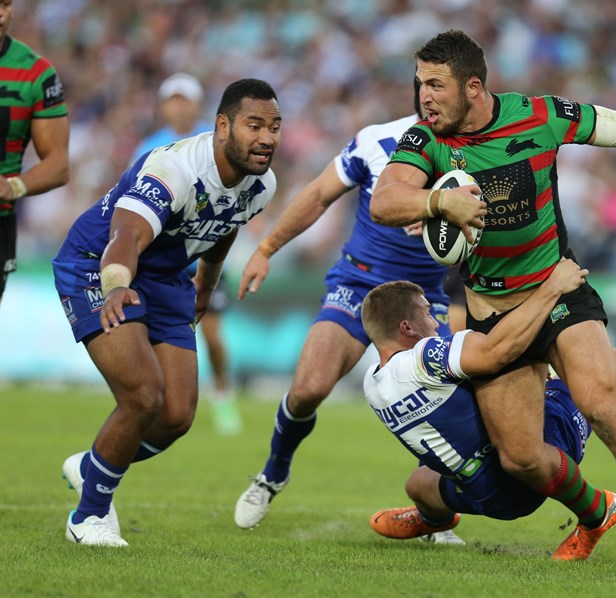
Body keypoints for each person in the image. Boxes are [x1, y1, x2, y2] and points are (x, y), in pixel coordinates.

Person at [370, 29, 616, 576]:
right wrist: (440, 201)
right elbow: (385, 200)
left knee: (602, 401)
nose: (424, 97)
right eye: (419, 84)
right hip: (492, 316)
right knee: (522, 459)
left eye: (436, 85)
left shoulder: (540, 115)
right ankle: (597, 514)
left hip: (558, 290)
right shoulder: (425, 140)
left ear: (474, 87)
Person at [363, 278, 616, 572]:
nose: (436, 322)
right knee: (597, 371)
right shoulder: (423, 357)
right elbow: (495, 350)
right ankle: (597, 511)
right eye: (427, 316)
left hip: (483, 496)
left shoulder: (373, 384)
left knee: (418, 483)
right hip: (533, 463)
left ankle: (434, 518)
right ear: (407, 329)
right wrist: (550, 290)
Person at [52, 78, 281, 547]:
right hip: (99, 266)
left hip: (169, 277)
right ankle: (88, 516)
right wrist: (116, 286)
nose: (267, 138)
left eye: (275, 127)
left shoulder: (262, 184)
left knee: (176, 415)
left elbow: (226, 225)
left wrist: (207, 284)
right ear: (223, 126)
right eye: (255, 125)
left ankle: (91, 465)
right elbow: (125, 236)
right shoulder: (174, 169)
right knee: (143, 394)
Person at [233, 85, 465, 545]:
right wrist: (266, 248)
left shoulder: (475, 154)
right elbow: (319, 194)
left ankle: (433, 517)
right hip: (358, 285)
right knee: (308, 389)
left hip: (425, 298)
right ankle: (273, 473)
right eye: (427, 90)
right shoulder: (377, 141)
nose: (433, 102)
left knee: (442, 407)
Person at [131, 73, 241, 436]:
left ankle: (223, 393)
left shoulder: (215, 145)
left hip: (203, 256)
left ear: (197, 106)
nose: (179, 106)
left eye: (185, 100)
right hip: (160, 261)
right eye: (173, 100)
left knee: (211, 334)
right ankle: (155, 397)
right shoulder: (149, 146)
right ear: (164, 106)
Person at [0, 0, 69, 306]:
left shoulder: (36, 72)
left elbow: (58, 164)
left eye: (5, 4)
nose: (1, 14)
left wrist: (12, 186)